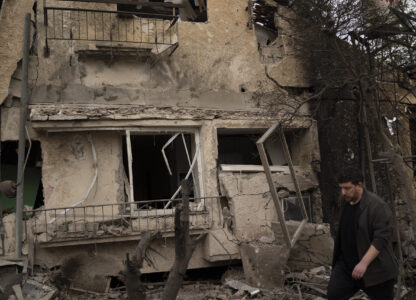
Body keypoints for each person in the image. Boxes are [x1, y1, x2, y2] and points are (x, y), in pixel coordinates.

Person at [327, 169, 398, 300]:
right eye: (341, 188)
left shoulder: (377, 207)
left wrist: (363, 263)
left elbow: (381, 238)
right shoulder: (345, 201)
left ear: (359, 185)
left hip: (376, 270)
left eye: (347, 188)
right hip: (346, 267)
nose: (343, 192)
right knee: (334, 295)